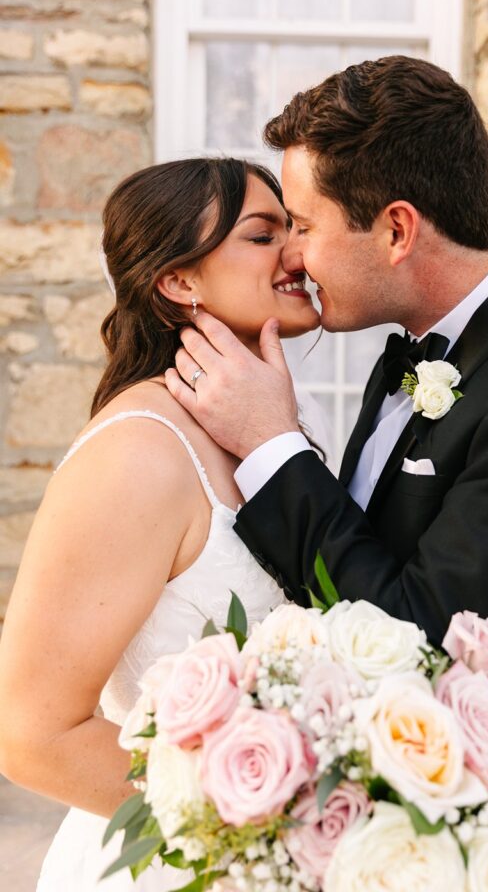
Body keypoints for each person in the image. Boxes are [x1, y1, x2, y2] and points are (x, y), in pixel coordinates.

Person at [166, 56, 488, 891]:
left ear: (396, 230)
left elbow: (421, 639)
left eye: (303, 223)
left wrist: (271, 446)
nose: (290, 255)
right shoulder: (410, 349)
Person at [0, 157, 327, 891]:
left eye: (293, 228)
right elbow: (32, 735)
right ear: (178, 282)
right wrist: (261, 825)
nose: (297, 253)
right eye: (262, 234)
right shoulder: (139, 453)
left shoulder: (277, 430)